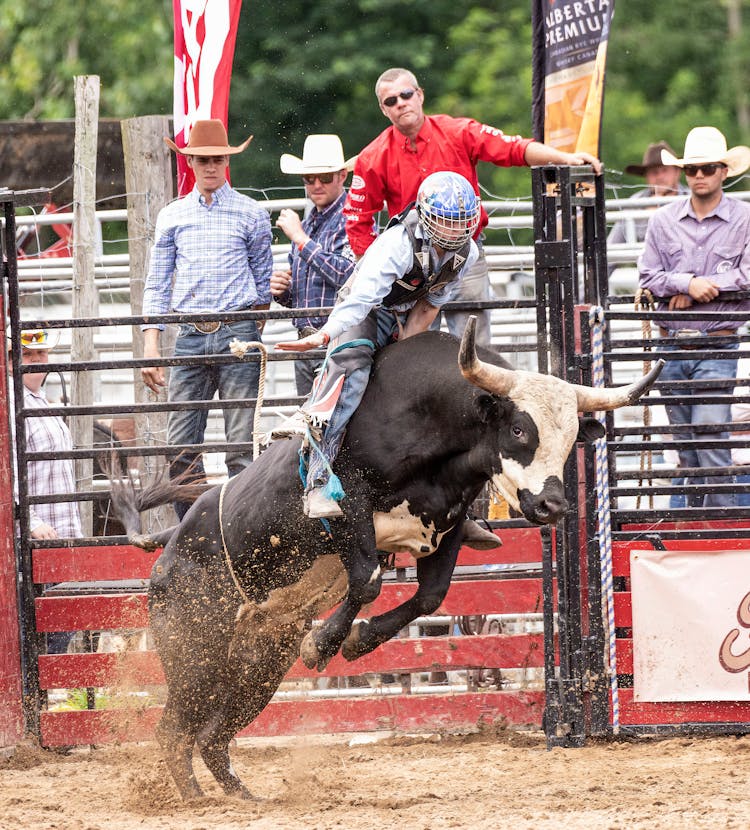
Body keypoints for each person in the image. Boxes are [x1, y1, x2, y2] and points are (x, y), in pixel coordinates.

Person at [276, 170, 488, 523]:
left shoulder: (467, 254)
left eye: (460, 223)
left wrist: (405, 351)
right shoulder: (397, 244)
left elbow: (430, 305)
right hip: (369, 310)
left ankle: (442, 500)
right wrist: (325, 334)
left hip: (410, 316)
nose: (454, 231)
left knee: (432, 384)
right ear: (427, 218)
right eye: (446, 222)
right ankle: (317, 480)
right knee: (351, 373)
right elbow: (361, 300)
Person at [343, 67, 602, 345]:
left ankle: (473, 388)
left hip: (464, 254)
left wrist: (565, 158)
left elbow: (513, 148)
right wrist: (379, 269)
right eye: (390, 100)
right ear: (384, 109)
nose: (400, 103)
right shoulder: (374, 156)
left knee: (474, 343)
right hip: (411, 266)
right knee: (411, 349)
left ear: (419, 95)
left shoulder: (458, 132)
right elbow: (357, 220)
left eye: (405, 94)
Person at [141, 119, 273, 518]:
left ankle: (240, 534)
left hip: (237, 330)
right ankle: (194, 537)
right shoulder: (173, 216)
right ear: (191, 162)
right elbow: (157, 282)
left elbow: (262, 283)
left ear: (226, 161)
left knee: (239, 446)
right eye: (203, 160)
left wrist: (252, 326)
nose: (210, 166)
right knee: (182, 447)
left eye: (216, 159)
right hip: (191, 333)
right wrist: (151, 342)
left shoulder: (251, 214)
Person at [638, 126, 750, 509]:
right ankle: (701, 529)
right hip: (674, 344)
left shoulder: (744, 218)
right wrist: (687, 282)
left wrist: (700, 287)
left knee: (708, 433)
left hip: (717, 341)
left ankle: (718, 529)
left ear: (723, 171)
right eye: (692, 170)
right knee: (687, 444)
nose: (699, 176)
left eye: (707, 169)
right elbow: (648, 277)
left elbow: (748, 275)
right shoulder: (663, 221)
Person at [8, 329, 81, 653]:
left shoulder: (39, 401)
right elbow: (6, 470)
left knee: (60, 620)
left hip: (60, 530)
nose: (37, 361)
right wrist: (31, 519)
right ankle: (32, 694)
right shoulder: (10, 404)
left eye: (41, 354)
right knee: (42, 623)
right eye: (28, 355)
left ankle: (39, 694)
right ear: (11, 361)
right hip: (35, 534)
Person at [271, 134, 358, 395]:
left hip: (338, 343)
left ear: (342, 176)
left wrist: (300, 239)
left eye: (325, 178)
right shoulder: (307, 224)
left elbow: (349, 276)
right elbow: (300, 295)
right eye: (310, 179)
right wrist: (283, 291)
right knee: (308, 424)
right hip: (306, 342)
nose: (316, 185)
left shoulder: (354, 217)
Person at [608, 141, 687, 247]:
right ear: (646, 176)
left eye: (665, 170)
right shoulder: (634, 203)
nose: (660, 176)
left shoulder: (692, 198)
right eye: (654, 172)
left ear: (677, 172)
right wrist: (647, 218)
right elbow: (612, 246)